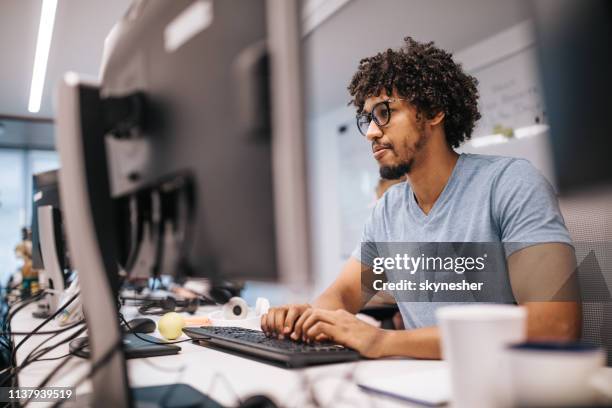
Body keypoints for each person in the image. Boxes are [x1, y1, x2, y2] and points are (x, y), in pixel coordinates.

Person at [261, 37, 580, 359]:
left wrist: (383, 341)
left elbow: (554, 327)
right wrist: (305, 318)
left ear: (434, 112)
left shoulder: (510, 183)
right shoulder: (388, 209)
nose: (371, 132)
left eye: (384, 112)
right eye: (368, 119)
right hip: (423, 381)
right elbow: (343, 295)